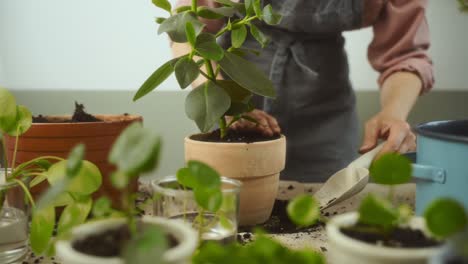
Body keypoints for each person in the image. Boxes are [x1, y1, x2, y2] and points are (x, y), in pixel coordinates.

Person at [172, 0, 433, 182]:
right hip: (237, 106)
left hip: (326, 119)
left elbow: (405, 55)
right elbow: (187, 32)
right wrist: (223, 105)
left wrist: (393, 112)